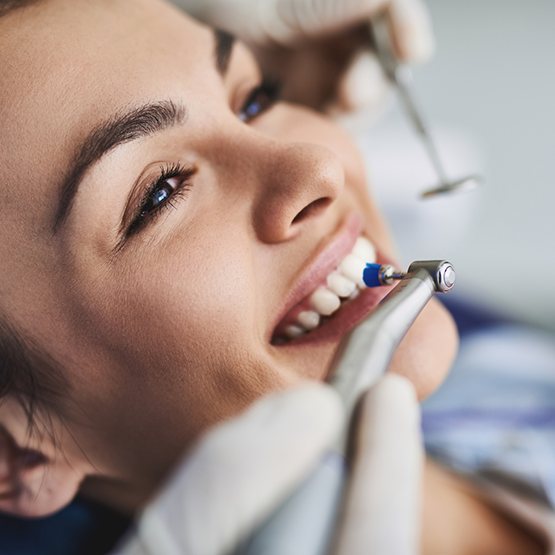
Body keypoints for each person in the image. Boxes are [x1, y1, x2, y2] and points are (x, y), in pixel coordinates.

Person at [0, 1, 550, 554]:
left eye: (255, 99)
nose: (318, 166)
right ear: (13, 453)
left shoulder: (501, 362)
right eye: (159, 195)